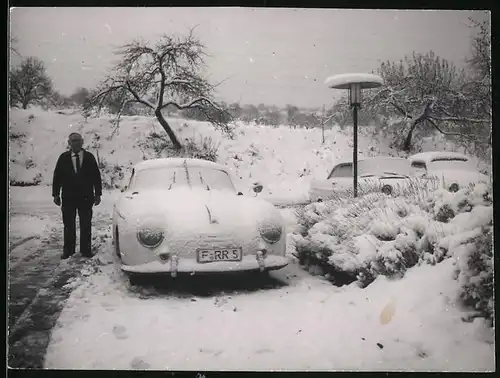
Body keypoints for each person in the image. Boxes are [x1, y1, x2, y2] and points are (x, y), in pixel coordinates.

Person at [52, 132, 102, 259]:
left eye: (79, 140)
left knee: (86, 224)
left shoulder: (89, 157)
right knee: (69, 225)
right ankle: (68, 250)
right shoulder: (63, 158)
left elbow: (96, 176)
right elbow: (57, 176)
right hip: (68, 197)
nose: (76, 143)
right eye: (73, 140)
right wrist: (56, 194)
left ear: (82, 142)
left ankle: (86, 250)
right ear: (69, 143)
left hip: (86, 197)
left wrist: (98, 194)